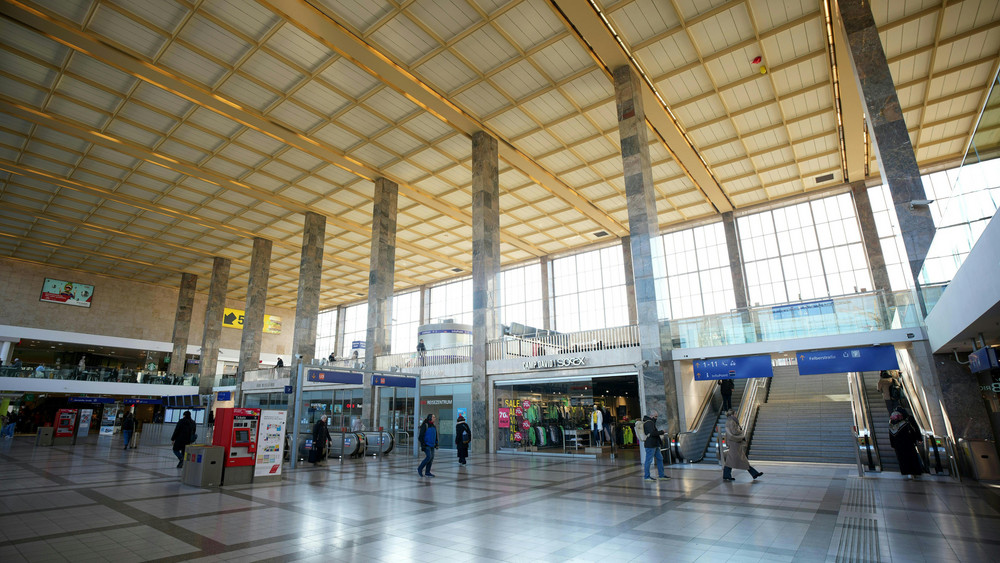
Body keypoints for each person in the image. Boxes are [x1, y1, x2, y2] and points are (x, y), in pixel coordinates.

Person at [722, 410, 763, 481]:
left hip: (734, 443)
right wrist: (741, 431)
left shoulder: (729, 421)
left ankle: (754, 473)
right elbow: (734, 431)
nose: (736, 415)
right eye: (735, 413)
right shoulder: (732, 421)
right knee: (738, 460)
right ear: (733, 414)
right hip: (734, 443)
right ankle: (754, 473)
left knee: (733, 460)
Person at [888, 407, 924, 478]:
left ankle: (906, 472)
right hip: (909, 443)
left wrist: (892, 444)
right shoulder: (908, 420)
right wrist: (918, 438)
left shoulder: (892, 423)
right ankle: (915, 471)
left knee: (902, 459)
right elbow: (915, 429)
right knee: (912, 457)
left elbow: (890, 435)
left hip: (898, 445)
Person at [642, 411, 668, 481]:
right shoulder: (648, 423)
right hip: (650, 445)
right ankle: (647, 476)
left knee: (660, 458)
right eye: (655, 416)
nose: (656, 418)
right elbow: (653, 433)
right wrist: (662, 432)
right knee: (648, 460)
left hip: (654, 444)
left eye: (657, 416)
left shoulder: (650, 422)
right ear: (651, 416)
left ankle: (661, 475)